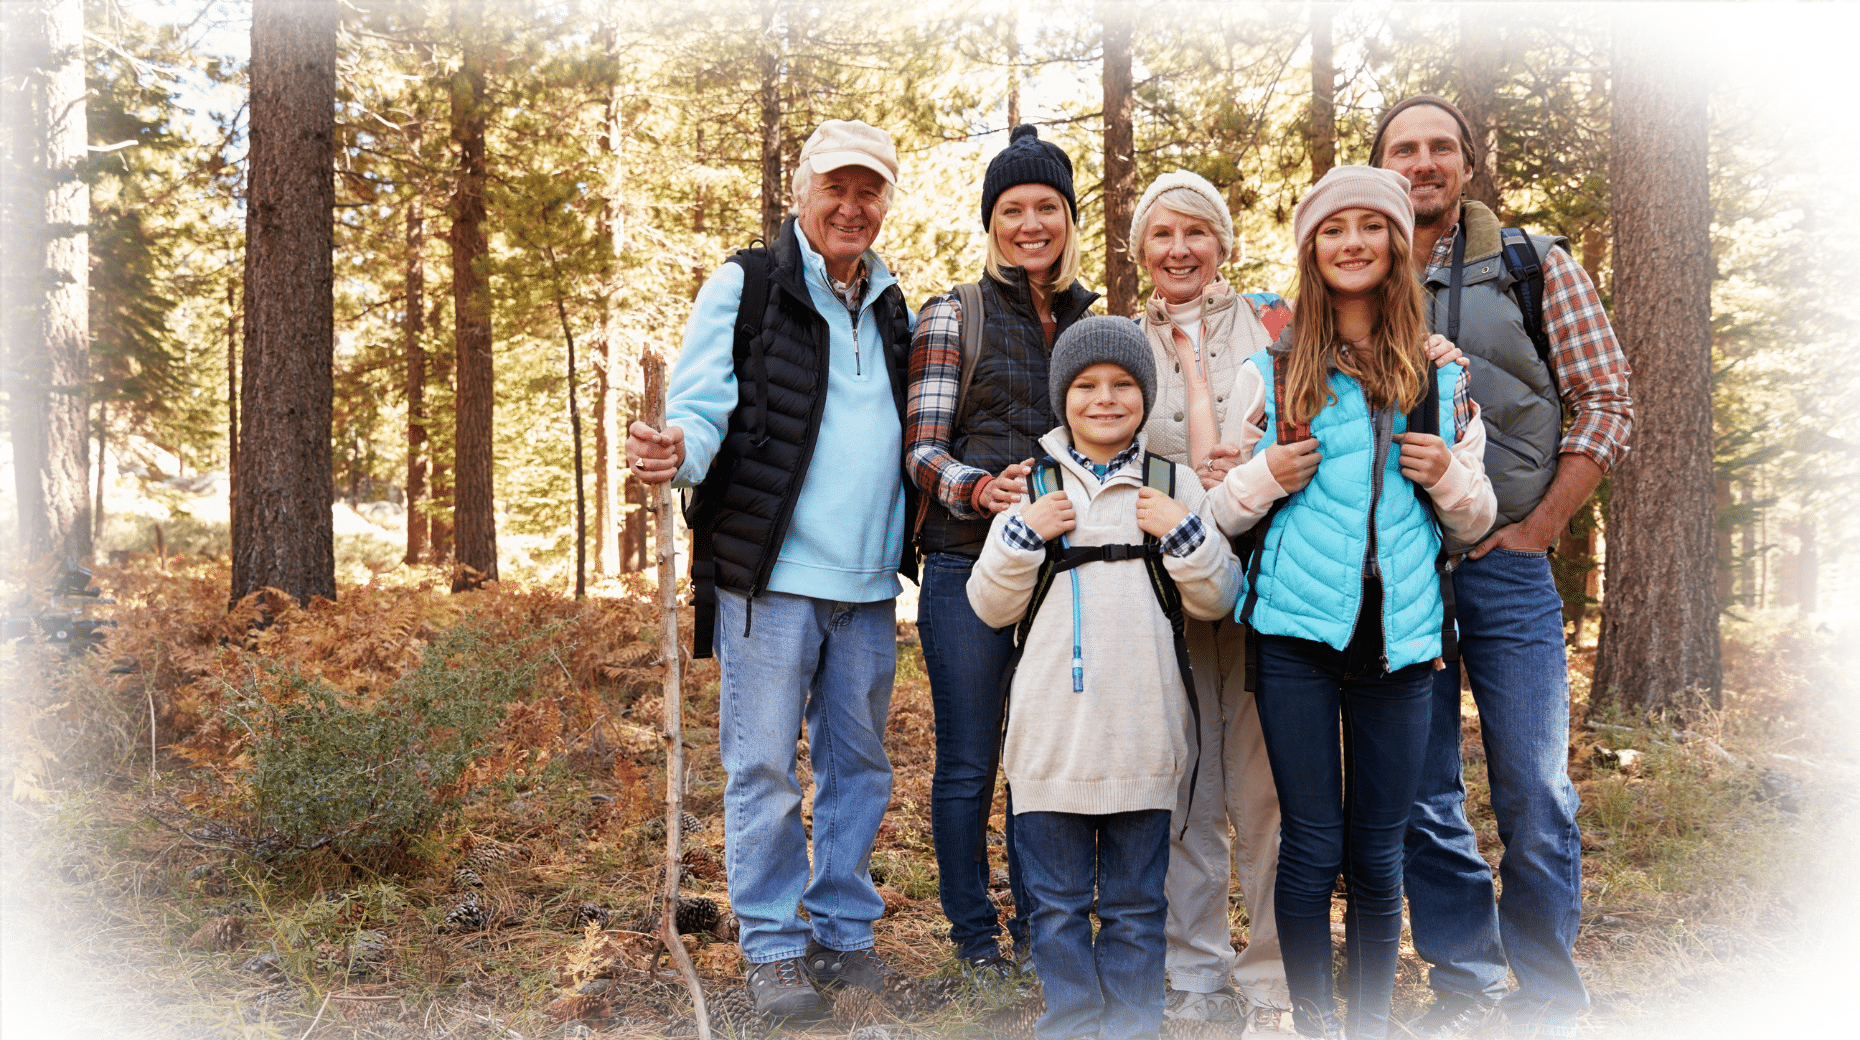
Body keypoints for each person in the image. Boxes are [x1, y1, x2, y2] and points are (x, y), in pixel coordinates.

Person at [1132, 169, 1461, 1033]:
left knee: (1377, 852)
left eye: (1372, 228)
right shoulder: (1271, 368)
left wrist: (1455, 478)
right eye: (1332, 229)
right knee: (1309, 839)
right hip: (1288, 631)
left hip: (1401, 639)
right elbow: (1225, 500)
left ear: (1398, 245)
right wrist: (1261, 478)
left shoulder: (1434, 375)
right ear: (1312, 250)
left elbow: (1474, 510)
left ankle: (1368, 1021)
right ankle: (1308, 1018)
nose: (1353, 243)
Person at [625, 119, 916, 1022]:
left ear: (884, 203)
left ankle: (842, 930)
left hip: (868, 587)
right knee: (762, 768)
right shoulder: (749, 283)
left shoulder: (896, 303)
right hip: (769, 577)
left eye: (868, 192)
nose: (850, 207)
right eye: (836, 188)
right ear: (801, 192)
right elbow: (702, 406)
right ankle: (775, 945)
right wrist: (680, 448)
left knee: (858, 766)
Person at [1369, 95, 1633, 1040]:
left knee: (1533, 783)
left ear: (1468, 166)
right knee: (1421, 790)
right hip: (1401, 579)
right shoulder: (1356, 271)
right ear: (1381, 165)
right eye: (1406, 148)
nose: (1424, 162)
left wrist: (1540, 529)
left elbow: (1605, 402)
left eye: (1442, 147)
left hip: (1509, 567)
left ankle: (1551, 996)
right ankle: (1466, 986)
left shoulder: (1533, 264)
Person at [966, 315, 1241, 1040]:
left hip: (1143, 741)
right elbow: (990, 606)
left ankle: (1130, 1027)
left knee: (1136, 907)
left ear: (1146, 396)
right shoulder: (1033, 487)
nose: (1106, 399)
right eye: (1086, 385)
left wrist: (1184, 533)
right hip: (1050, 746)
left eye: (1123, 384)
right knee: (1053, 909)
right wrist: (1024, 537)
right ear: (1063, 397)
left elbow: (1217, 597)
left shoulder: (1173, 484)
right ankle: (1071, 1024)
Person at [905, 124, 1098, 978]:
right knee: (972, 755)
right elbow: (920, 447)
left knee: (1043, 753)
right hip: (963, 565)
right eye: (1012, 209)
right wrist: (978, 489)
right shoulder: (957, 310)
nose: (1030, 224)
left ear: (1066, 217)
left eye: (1045, 207)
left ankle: (1042, 930)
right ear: (992, 221)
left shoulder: (1093, 319)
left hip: (1062, 571)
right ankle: (977, 938)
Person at [1128, 169, 1294, 1032]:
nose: (1180, 249)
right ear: (1141, 252)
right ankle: (1193, 970)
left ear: (1222, 244)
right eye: (1162, 235)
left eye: (1197, 232)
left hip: (1268, 582)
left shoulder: (1275, 320)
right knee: (1184, 781)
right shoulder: (1119, 338)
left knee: (1265, 791)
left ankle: (1270, 977)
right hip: (1171, 588)